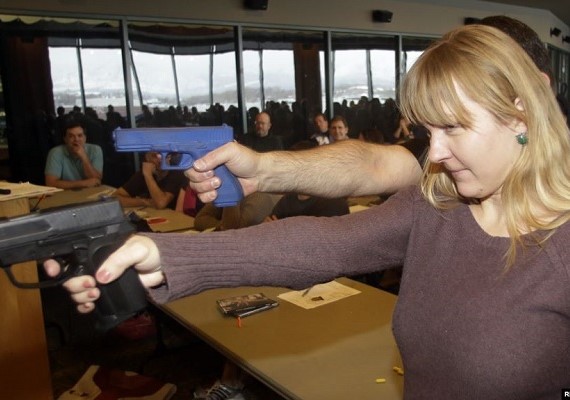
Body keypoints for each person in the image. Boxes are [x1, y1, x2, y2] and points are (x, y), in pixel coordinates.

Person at [48, 24, 570, 399]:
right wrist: (164, 253)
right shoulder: (438, 204)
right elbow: (323, 243)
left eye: (453, 128)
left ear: (520, 114)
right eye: (428, 132)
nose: (433, 153)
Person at [186, 16, 561, 206]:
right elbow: (372, 164)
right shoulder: (447, 181)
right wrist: (261, 171)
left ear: (530, 97)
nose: (438, 152)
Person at [113, 151, 187, 210]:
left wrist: (148, 175)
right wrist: (144, 202)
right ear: (148, 158)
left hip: (174, 219)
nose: (160, 160)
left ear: (169, 157)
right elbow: (114, 198)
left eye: (164, 155)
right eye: (155, 156)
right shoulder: (143, 174)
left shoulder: (176, 173)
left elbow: (161, 203)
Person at [44, 120, 103, 189]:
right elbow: (50, 183)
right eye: (71, 136)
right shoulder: (55, 152)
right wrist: (84, 183)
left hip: (90, 192)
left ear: (85, 138)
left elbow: (97, 180)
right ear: (65, 139)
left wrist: (84, 157)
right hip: (66, 193)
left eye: (80, 135)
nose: (76, 139)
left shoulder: (95, 150)